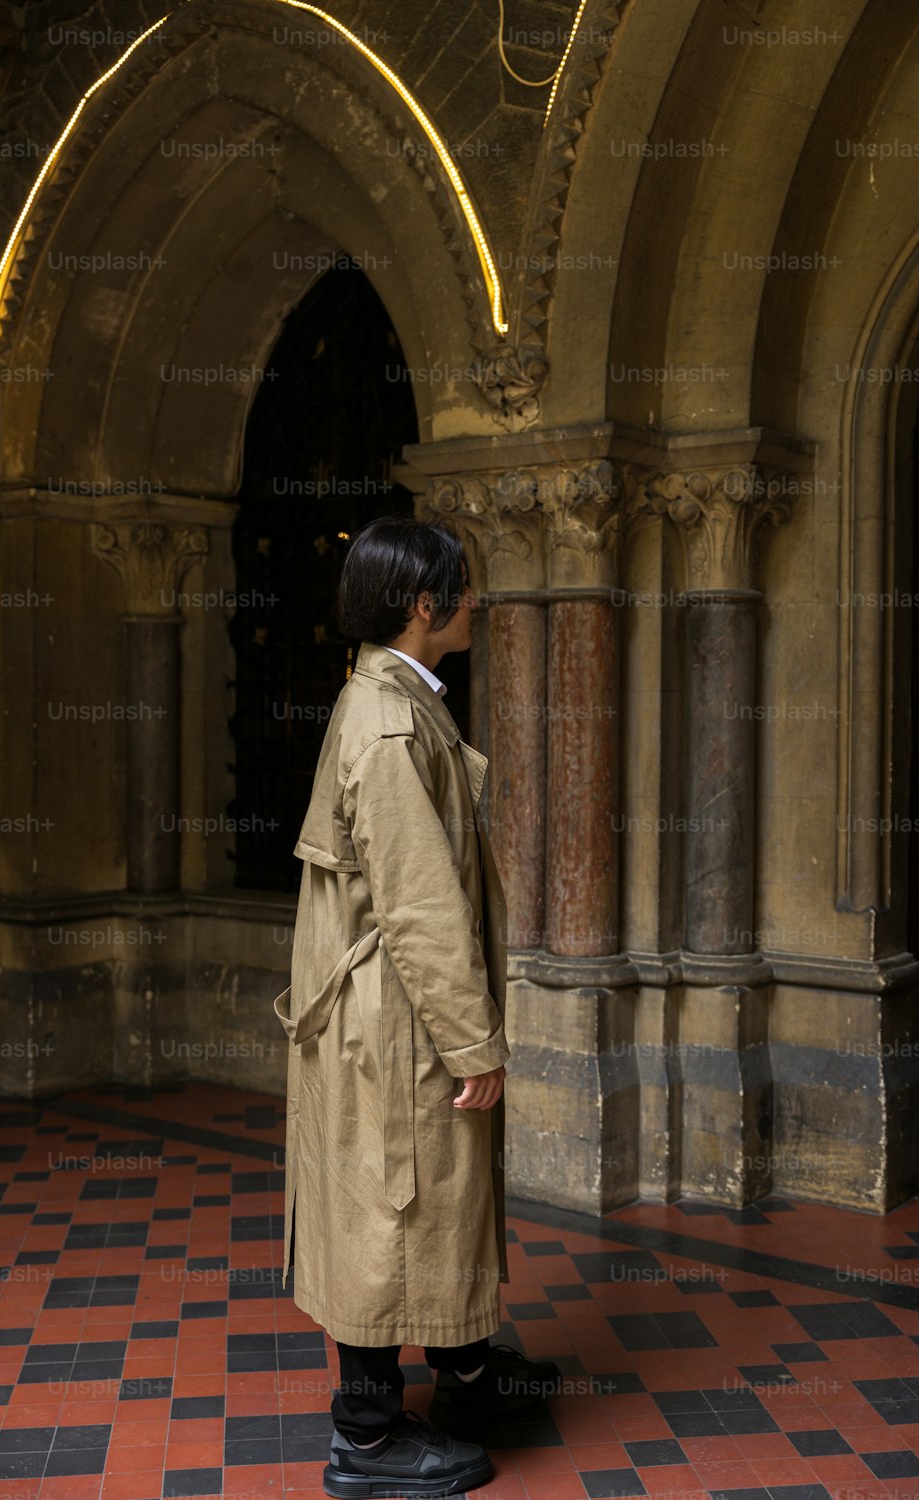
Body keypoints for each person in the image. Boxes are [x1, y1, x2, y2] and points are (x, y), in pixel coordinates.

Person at [273, 515, 560, 1498]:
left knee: (436, 1198)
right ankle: (366, 1434)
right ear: (423, 607)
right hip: (394, 1018)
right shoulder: (390, 725)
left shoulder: (390, 696)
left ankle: (468, 1377)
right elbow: (421, 905)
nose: (475, 602)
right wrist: (475, 1041)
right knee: (391, 1207)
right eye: (463, 588)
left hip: (395, 1011)